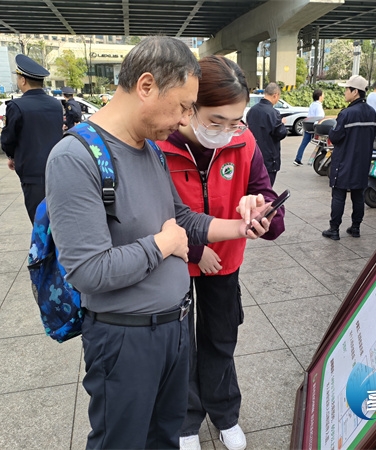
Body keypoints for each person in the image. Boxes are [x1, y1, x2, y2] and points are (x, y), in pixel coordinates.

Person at [45, 36, 274, 450]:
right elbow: (88, 271)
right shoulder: (75, 157)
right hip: (126, 338)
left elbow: (181, 218)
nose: (186, 119)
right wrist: (162, 246)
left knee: (165, 436)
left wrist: (241, 227)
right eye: (184, 106)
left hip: (173, 326)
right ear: (146, 86)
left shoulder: (149, 148)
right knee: (123, 441)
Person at [157, 55, 285, 450]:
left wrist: (262, 212)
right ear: (189, 106)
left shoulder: (244, 142)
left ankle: (225, 412)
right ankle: (185, 420)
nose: (226, 132)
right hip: (174, 265)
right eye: (216, 121)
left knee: (220, 338)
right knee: (180, 346)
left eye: (235, 121)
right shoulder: (158, 144)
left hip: (225, 262)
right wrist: (196, 251)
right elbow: (152, 214)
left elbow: (269, 204)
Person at [1, 54, 64, 223]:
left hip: (32, 171)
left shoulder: (17, 106)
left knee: (39, 218)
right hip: (57, 167)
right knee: (58, 216)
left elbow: (8, 138)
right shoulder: (55, 104)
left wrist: (11, 156)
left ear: (23, 80)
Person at [322, 75, 376, 241]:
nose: (345, 92)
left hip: (344, 161)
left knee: (338, 195)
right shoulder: (371, 113)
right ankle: (355, 227)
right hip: (362, 162)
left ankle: (334, 229)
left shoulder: (346, 114)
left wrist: (331, 131)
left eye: (347, 89)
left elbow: (335, 136)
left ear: (355, 92)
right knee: (358, 196)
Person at [246, 82, 287, 186]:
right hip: (269, 158)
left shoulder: (252, 110)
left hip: (253, 155)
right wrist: (282, 124)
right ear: (275, 95)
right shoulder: (273, 113)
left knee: (254, 188)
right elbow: (280, 133)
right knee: (266, 188)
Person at [293, 88, 324, 166]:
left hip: (308, 126)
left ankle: (297, 159)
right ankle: (323, 156)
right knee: (322, 142)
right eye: (323, 95)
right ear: (320, 96)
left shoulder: (312, 104)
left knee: (303, 144)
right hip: (314, 127)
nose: (324, 96)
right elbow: (319, 118)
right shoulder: (318, 106)